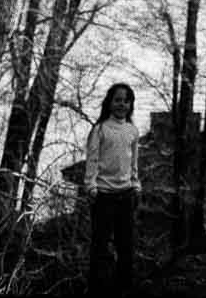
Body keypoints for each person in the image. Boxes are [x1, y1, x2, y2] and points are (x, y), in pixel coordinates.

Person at [84, 82, 140, 294]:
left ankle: (124, 288)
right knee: (100, 248)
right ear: (109, 102)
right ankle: (97, 288)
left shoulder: (133, 131)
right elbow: (92, 159)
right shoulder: (100, 129)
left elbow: (134, 162)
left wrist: (136, 184)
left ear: (131, 105)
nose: (121, 105)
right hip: (103, 196)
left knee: (126, 247)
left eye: (126, 101)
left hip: (126, 196)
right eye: (117, 100)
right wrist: (90, 186)